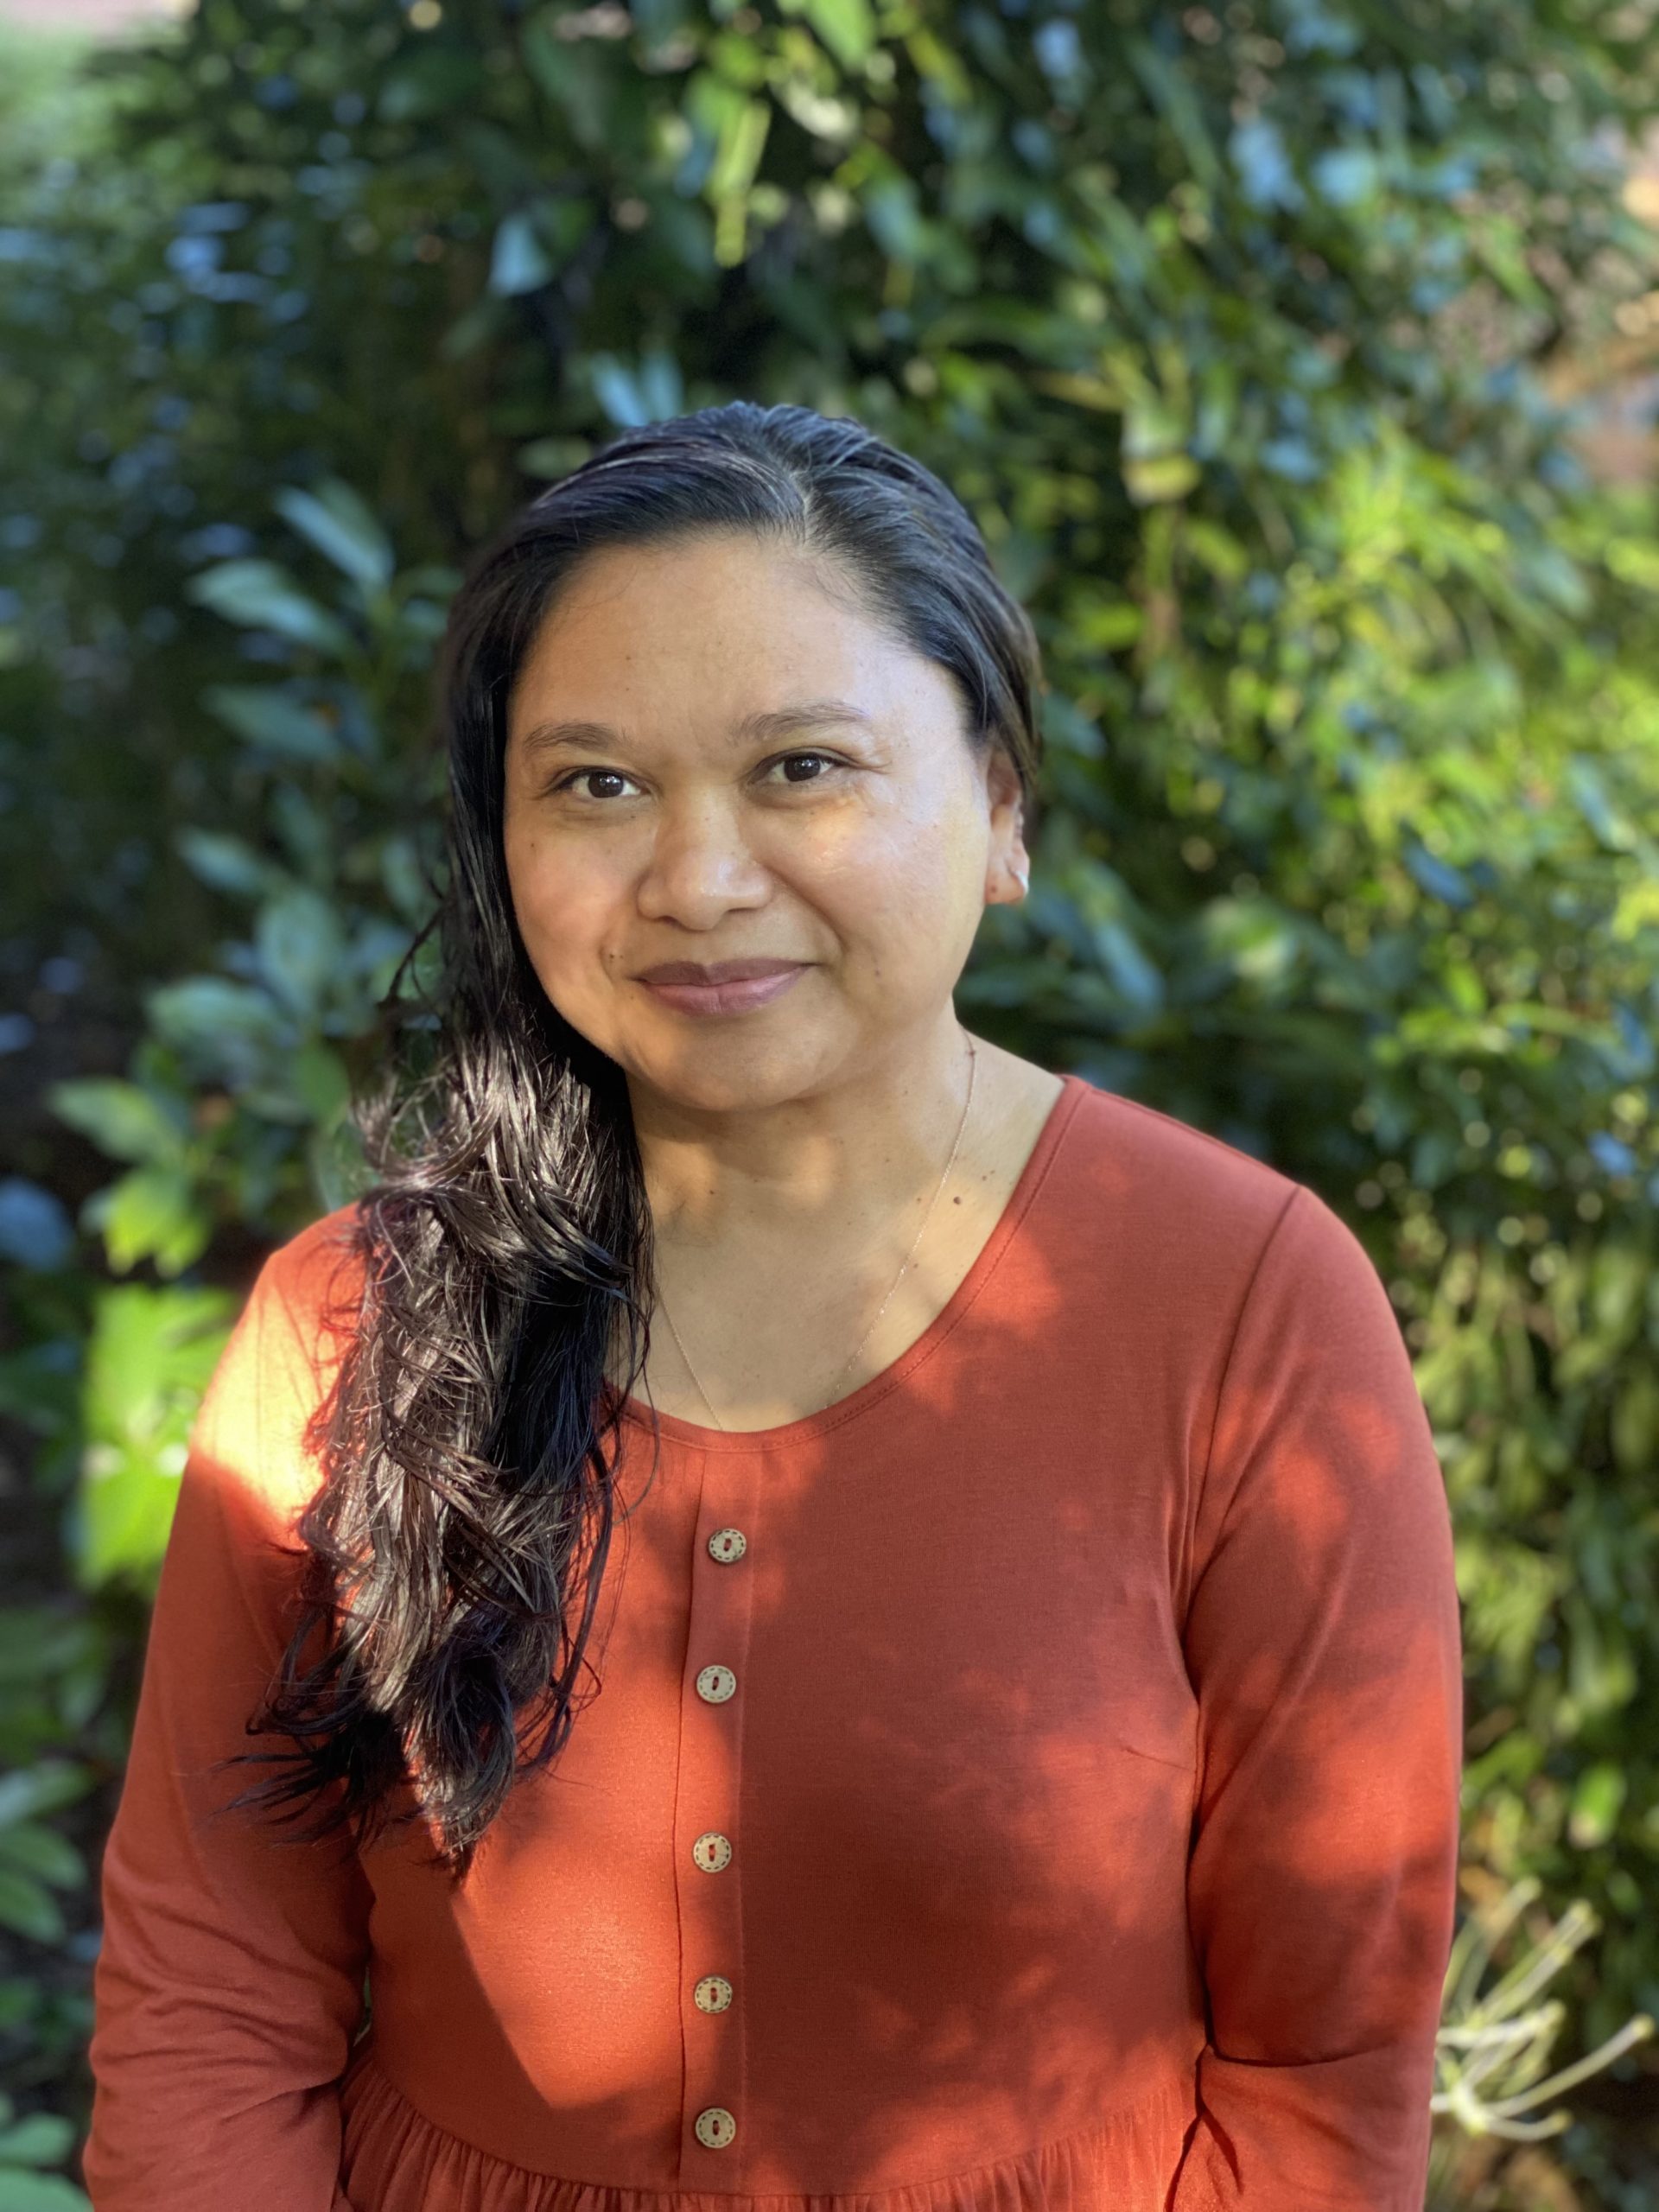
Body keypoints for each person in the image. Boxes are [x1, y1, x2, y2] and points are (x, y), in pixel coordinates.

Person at [82, 400, 1464, 2211]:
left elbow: (1321, 2069)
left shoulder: (1243, 1306)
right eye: (595, 782)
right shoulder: (350, 1323)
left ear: (1002, 805)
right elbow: (214, 1977)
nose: (698, 879)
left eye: (802, 765)